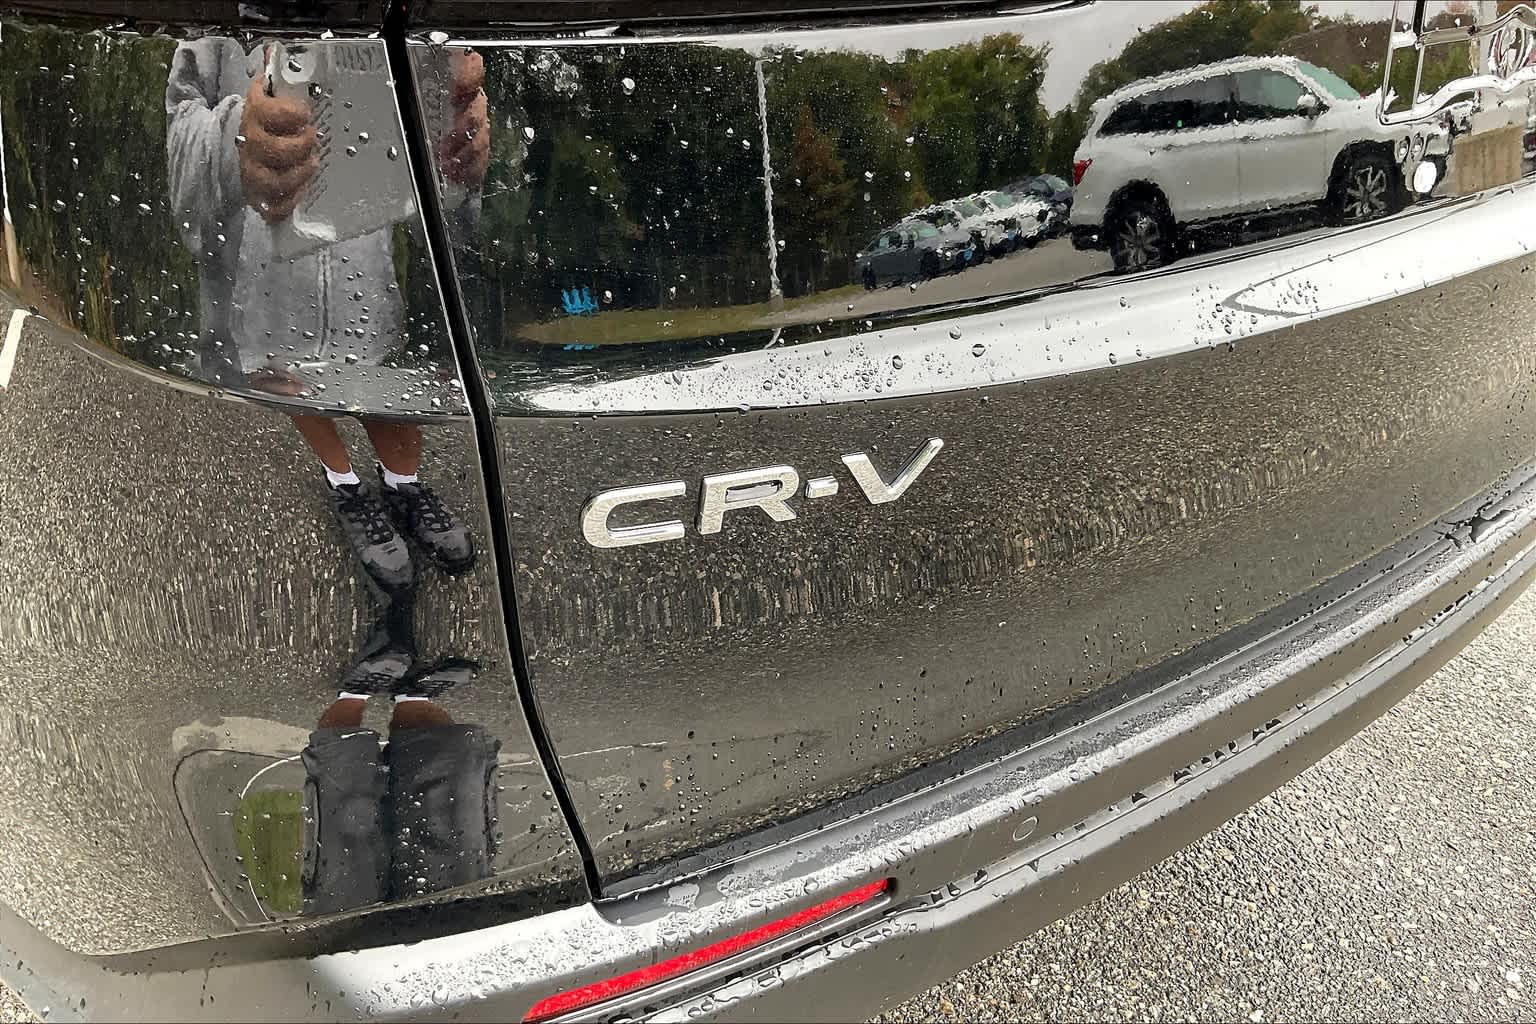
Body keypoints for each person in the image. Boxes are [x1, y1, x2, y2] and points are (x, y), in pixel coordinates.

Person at [165, 39, 490, 599]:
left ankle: (403, 483)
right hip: (262, 286)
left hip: (367, 274)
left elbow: (438, 196)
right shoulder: (212, 34)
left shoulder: (381, 21)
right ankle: (344, 483)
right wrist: (237, 139)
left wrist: (458, 156)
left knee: (381, 386)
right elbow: (178, 146)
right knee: (288, 378)